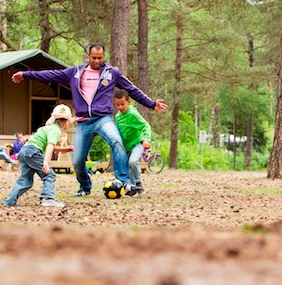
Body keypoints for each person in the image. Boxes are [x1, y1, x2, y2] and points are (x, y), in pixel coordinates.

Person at [11, 43, 167, 197]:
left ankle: (124, 182)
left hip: (103, 119)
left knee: (116, 141)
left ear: (104, 56)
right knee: (77, 160)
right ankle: (85, 187)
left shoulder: (112, 73)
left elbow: (132, 89)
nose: (97, 61)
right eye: (94, 58)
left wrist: (151, 104)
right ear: (88, 56)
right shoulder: (75, 72)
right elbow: (51, 74)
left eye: (100, 58)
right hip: (83, 121)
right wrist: (25, 74)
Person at [3, 104, 75, 208]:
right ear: (66, 122)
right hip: (32, 151)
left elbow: (49, 146)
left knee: (26, 180)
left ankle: (9, 201)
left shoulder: (49, 128)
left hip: (24, 152)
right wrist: (45, 162)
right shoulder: (56, 130)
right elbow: (50, 146)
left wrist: (64, 149)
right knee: (49, 175)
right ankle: (48, 199)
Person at [114, 89, 151, 195]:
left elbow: (145, 125)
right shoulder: (117, 116)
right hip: (125, 147)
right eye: (117, 105)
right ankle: (132, 188)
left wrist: (146, 139)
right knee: (126, 167)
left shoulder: (133, 114)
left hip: (137, 144)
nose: (120, 107)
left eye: (122, 104)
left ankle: (138, 183)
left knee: (133, 161)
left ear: (128, 102)